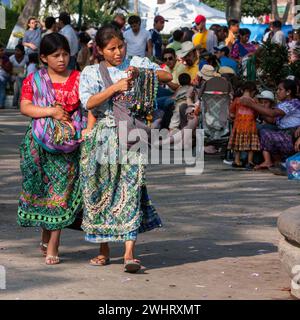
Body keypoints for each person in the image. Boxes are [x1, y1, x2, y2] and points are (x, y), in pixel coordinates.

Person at [79, 24, 171, 273]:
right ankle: (104, 249)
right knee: (102, 193)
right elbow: (88, 102)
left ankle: (130, 252)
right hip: (103, 136)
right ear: (99, 50)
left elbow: (167, 76)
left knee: (130, 190)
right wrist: (114, 88)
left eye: (120, 46)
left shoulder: (137, 61)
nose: (118, 52)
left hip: (131, 135)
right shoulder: (90, 72)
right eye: (111, 49)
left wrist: (140, 72)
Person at [17, 33, 84, 265]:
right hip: (39, 144)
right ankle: (46, 235)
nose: (62, 59)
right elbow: (25, 107)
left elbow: (90, 105)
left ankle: (54, 243)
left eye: (65, 54)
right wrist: (52, 112)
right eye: (56, 55)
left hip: (69, 145)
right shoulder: (34, 79)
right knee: (45, 194)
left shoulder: (78, 78)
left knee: (61, 192)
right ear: (44, 57)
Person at [240, 79, 300, 169]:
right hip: (283, 133)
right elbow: (272, 120)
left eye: (280, 90)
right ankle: (275, 161)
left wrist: (252, 105)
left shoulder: (294, 102)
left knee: (265, 132)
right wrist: (257, 108)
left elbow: (272, 114)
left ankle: (273, 161)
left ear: (288, 92)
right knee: (262, 130)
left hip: (292, 135)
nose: (277, 92)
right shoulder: (282, 104)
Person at [227, 81, 260, 169]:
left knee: (237, 146)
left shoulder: (237, 100)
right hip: (250, 127)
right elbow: (256, 114)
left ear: (242, 90)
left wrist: (234, 117)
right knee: (250, 146)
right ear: (253, 91)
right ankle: (249, 162)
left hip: (238, 127)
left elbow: (231, 113)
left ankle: (237, 161)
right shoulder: (254, 102)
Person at [0, 45, 12, 109]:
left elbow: (8, 70)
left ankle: (1, 104)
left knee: (2, 89)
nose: (3, 52)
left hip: (3, 77)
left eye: (3, 50)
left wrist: (2, 65)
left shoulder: (6, 58)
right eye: (1, 50)